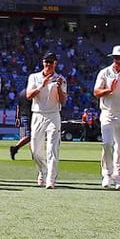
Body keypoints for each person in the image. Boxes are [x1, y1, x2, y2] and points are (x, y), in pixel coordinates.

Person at [93, 45, 120, 190]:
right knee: (107, 144)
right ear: (112, 58)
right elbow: (96, 92)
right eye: (116, 58)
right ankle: (107, 174)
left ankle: (118, 177)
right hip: (107, 112)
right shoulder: (105, 72)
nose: (118, 60)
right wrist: (109, 89)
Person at [26, 52, 68, 189]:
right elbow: (28, 96)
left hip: (53, 115)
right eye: (46, 61)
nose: (48, 64)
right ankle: (43, 171)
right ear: (43, 62)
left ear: (55, 63)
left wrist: (59, 88)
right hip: (38, 114)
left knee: (52, 148)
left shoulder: (60, 79)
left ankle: (50, 178)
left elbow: (63, 101)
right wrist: (41, 86)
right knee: (35, 149)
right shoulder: (34, 77)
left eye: (51, 62)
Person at [9, 88, 32, 160]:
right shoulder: (31, 93)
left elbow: (18, 107)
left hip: (23, 116)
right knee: (30, 136)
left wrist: (17, 117)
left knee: (31, 137)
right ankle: (15, 148)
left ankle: (34, 154)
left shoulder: (21, 93)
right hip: (30, 115)